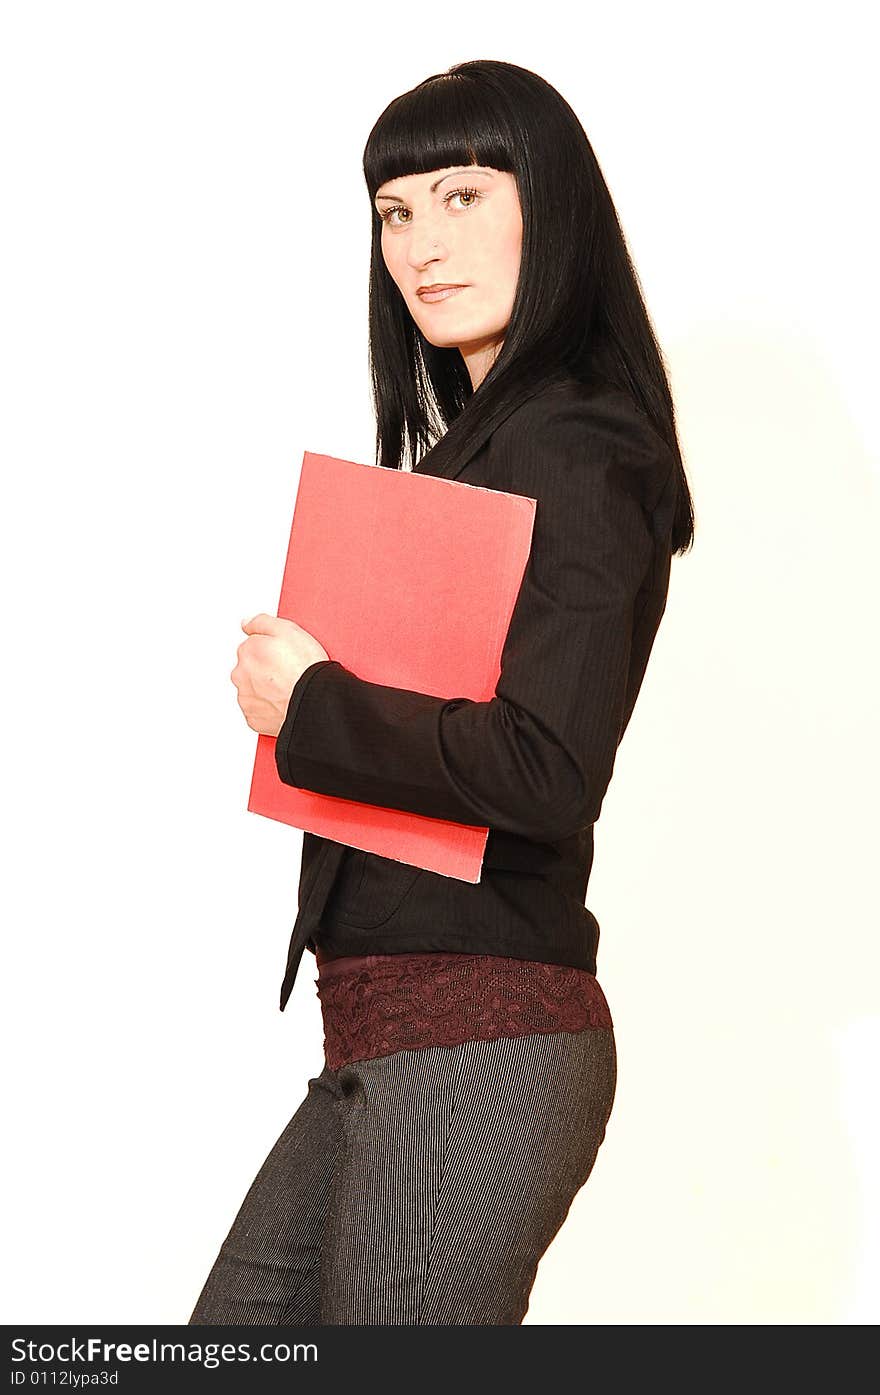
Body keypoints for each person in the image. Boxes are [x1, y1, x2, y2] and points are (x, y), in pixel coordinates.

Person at [189, 57, 695, 1327]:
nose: (421, 242)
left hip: (480, 1037)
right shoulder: (470, 454)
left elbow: (544, 769)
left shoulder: (580, 438)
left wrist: (310, 706)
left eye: (463, 194)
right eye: (397, 211)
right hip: (386, 1038)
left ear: (553, 206)